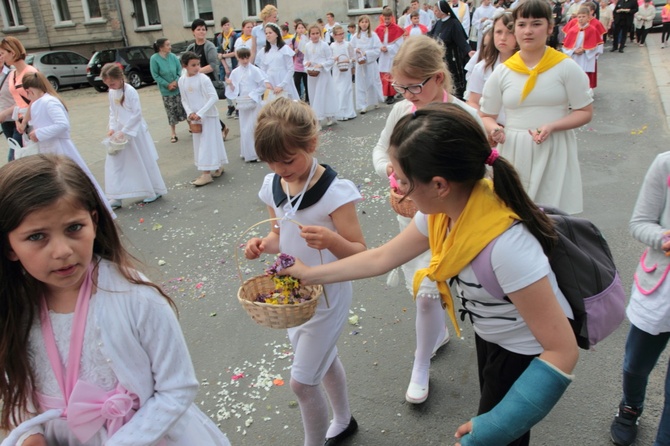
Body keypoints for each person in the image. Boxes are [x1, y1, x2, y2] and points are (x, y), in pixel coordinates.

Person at [283, 102, 579, 446]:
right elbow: (381, 258)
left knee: (502, 433)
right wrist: (308, 274)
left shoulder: (507, 248)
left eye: (404, 182)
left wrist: (498, 424)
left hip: (523, 350)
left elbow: (561, 349)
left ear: (439, 184)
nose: (398, 190)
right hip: (492, 333)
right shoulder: (443, 211)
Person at [0, 154, 232, 446]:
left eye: (74, 228)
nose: (61, 251)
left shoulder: (137, 298)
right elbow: (18, 388)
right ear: (8, 246)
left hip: (144, 436)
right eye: (36, 237)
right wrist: (29, 433)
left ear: (94, 222)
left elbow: (178, 388)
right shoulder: (13, 311)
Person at [244, 97, 365, 446]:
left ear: (311, 144)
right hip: (294, 295)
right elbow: (278, 236)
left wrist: (330, 239)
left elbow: (359, 252)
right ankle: (343, 420)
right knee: (322, 361)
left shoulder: (334, 193)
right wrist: (260, 244)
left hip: (327, 295)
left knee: (302, 381)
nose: (281, 169)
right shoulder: (273, 185)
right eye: (270, 162)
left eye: (287, 160)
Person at [372, 35, 484, 405]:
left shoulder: (462, 116)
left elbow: (479, 172)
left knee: (429, 293)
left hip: (451, 219)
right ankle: (430, 342)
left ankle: (420, 363)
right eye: (399, 87)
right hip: (413, 216)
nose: (407, 95)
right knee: (422, 292)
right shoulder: (401, 111)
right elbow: (381, 149)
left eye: (414, 86)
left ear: (438, 78)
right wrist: (391, 170)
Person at [480, 0, 593, 215]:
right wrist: (495, 128)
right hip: (514, 151)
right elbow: (486, 115)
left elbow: (585, 112)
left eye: (536, 24)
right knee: (514, 216)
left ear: (550, 28)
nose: (528, 31)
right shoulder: (503, 72)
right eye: (522, 24)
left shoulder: (566, 67)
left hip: (554, 149)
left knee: (552, 218)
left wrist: (552, 126)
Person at [609, 151, 670, 446]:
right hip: (661, 288)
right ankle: (630, 406)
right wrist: (665, 238)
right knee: (635, 364)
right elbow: (640, 222)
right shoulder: (666, 164)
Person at [18, 72, 112, 217]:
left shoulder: (49, 101)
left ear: (30, 90)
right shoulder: (40, 102)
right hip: (49, 147)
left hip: (59, 147)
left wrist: (39, 133)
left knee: (70, 181)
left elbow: (62, 124)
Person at [100, 63, 167, 209]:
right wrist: (112, 128)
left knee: (142, 160)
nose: (110, 87)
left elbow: (137, 114)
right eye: (107, 84)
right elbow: (113, 111)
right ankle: (116, 196)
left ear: (120, 78)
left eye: (112, 83)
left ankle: (153, 189)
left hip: (133, 132)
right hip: (119, 132)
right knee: (116, 163)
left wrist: (125, 131)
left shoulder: (130, 91)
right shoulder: (111, 92)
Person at [178, 51, 228, 187]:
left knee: (208, 143)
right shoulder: (181, 80)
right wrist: (190, 113)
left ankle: (206, 174)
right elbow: (184, 99)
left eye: (198, 64)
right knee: (200, 144)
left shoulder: (203, 79)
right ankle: (217, 166)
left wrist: (200, 113)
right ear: (185, 66)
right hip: (195, 117)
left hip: (208, 116)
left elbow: (213, 97)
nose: (196, 68)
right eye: (193, 65)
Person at [466, 10, 517, 125]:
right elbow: (473, 102)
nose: (503, 38)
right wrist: (489, 125)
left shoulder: (529, 67)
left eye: (509, 32)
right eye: (498, 32)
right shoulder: (482, 68)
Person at [224, 47, 270, 163]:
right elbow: (234, 90)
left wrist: (253, 94)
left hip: (254, 101)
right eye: (242, 58)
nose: (245, 60)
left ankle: (258, 152)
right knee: (245, 128)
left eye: (247, 58)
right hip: (243, 102)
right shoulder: (235, 72)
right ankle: (248, 152)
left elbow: (263, 85)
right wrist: (230, 85)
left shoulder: (254, 70)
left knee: (254, 126)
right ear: (238, 58)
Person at [186, 18, 229, 140]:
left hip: (207, 81)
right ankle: (216, 128)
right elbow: (185, 63)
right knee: (199, 107)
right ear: (193, 31)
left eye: (203, 29)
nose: (201, 32)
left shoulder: (209, 46)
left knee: (207, 107)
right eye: (198, 29)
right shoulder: (191, 47)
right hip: (194, 83)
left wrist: (195, 70)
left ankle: (220, 128)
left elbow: (213, 66)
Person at [0, 36, 38, 160]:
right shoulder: (12, 74)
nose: (2, 57)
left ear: (13, 52)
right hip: (20, 121)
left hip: (33, 121)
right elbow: (18, 101)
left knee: (14, 158)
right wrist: (18, 119)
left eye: (3, 53)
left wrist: (25, 121)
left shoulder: (30, 72)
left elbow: (35, 99)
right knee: (22, 156)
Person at [428, 1, 475, 100]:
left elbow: (461, 40)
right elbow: (430, 35)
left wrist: (468, 51)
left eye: (436, 10)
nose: (434, 12)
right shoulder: (439, 23)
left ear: (442, 11)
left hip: (451, 58)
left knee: (453, 80)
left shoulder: (454, 23)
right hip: (440, 58)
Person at [150, 38, 187, 143]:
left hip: (178, 88)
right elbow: (155, 75)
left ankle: (191, 126)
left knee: (183, 107)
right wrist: (167, 85)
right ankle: (173, 133)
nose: (170, 47)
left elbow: (179, 70)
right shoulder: (154, 59)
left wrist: (176, 81)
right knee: (171, 111)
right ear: (161, 47)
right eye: (167, 45)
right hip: (166, 91)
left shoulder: (173, 56)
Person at [304, 22, 337, 126]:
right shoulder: (307, 46)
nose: (315, 36)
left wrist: (322, 65)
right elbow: (305, 60)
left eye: (317, 33)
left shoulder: (324, 45)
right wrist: (307, 64)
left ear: (320, 34)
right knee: (314, 95)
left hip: (323, 74)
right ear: (309, 35)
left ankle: (322, 118)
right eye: (312, 34)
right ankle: (317, 115)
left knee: (323, 95)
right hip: (312, 75)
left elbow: (331, 60)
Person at [256, 22, 300, 101]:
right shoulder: (264, 51)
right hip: (270, 81)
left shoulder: (285, 49)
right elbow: (262, 68)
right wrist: (266, 82)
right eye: (266, 33)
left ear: (277, 34)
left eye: (270, 33)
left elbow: (290, 69)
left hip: (283, 79)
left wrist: (282, 85)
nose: (268, 35)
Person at [350, 15, 384, 114]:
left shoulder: (373, 35)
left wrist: (367, 54)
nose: (364, 24)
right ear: (359, 24)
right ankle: (363, 105)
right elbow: (351, 48)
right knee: (361, 84)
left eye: (366, 22)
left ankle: (375, 100)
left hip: (370, 63)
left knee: (372, 82)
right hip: (360, 65)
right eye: (362, 22)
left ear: (368, 24)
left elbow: (378, 49)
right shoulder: (355, 36)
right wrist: (357, 51)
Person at [562, 7, 602, 90]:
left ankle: (586, 92)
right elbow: (565, 46)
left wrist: (585, 50)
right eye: (579, 17)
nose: (581, 19)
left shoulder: (593, 30)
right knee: (574, 75)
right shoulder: (572, 30)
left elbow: (597, 46)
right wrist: (573, 50)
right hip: (575, 57)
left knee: (586, 75)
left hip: (586, 57)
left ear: (588, 18)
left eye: (583, 16)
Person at [375, 8, 405, 105]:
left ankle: (391, 94)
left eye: (388, 19)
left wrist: (389, 48)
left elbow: (399, 44)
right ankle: (386, 94)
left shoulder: (396, 29)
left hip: (391, 55)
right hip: (383, 56)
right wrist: (380, 47)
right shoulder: (379, 29)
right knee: (384, 74)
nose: (387, 21)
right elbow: (376, 42)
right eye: (385, 19)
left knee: (391, 74)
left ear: (391, 18)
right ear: (382, 18)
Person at [330, 24, 357, 121]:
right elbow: (329, 58)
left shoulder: (347, 44)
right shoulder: (332, 46)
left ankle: (349, 112)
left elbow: (353, 57)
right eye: (339, 34)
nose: (342, 36)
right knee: (338, 90)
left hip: (346, 70)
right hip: (337, 71)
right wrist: (334, 59)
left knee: (346, 90)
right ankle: (339, 113)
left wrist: (349, 61)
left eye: (343, 33)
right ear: (334, 35)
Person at [216, 17, 238, 118]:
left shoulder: (234, 36)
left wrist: (224, 56)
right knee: (225, 85)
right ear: (222, 26)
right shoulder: (220, 37)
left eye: (228, 24)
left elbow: (235, 53)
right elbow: (219, 53)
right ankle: (230, 106)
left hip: (233, 63)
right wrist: (225, 67)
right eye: (224, 25)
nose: (227, 27)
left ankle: (238, 106)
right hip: (225, 64)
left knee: (235, 85)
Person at [293, 21, 310, 103]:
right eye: (299, 28)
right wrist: (294, 51)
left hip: (306, 64)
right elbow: (291, 50)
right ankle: (298, 98)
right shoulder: (294, 39)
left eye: (302, 28)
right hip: (297, 64)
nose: (301, 30)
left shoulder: (308, 38)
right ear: (296, 30)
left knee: (307, 83)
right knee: (297, 82)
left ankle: (308, 99)